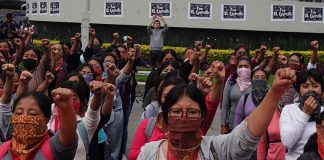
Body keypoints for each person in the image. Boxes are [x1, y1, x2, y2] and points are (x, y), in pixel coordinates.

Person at [138, 67, 297, 159]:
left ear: (202, 118)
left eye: (192, 112)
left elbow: (246, 136)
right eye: (177, 111)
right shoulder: (149, 152)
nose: (184, 117)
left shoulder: (216, 148)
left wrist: (275, 92)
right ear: (165, 118)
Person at [130, 61, 225, 160]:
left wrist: (219, 80)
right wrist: (164, 143)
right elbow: (133, 156)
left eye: (177, 98)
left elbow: (211, 104)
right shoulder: (147, 126)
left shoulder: (193, 121)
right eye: (167, 96)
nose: (183, 117)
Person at [0, 87, 78, 159]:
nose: (25, 118)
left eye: (33, 114)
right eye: (19, 113)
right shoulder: (3, 148)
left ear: (46, 119)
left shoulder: (54, 148)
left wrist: (66, 108)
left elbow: (68, 134)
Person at [280, 69, 324, 160]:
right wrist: (305, 114)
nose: (310, 90)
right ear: (299, 90)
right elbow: (287, 142)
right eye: (305, 86)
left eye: (315, 86)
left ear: (322, 90)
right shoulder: (289, 110)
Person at [221, 57, 253, 134]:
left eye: (246, 66)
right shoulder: (231, 83)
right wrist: (223, 125)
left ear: (251, 68)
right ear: (236, 68)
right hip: (233, 127)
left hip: (252, 127)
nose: (243, 69)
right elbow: (225, 106)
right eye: (240, 66)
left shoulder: (255, 83)